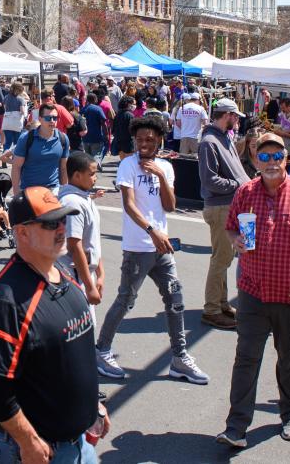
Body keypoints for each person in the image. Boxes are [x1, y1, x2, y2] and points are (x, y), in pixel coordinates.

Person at [216, 133, 290, 449]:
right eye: (264, 157)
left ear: (286, 159)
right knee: (246, 359)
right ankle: (236, 426)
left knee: (289, 358)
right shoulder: (245, 193)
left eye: (277, 156)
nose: (270, 162)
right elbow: (231, 225)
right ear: (256, 160)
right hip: (253, 292)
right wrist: (235, 240)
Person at [0, 187, 108, 464]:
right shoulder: (7, 300)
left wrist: (91, 405)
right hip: (34, 450)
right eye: (50, 223)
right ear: (22, 232)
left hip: (78, 442)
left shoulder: (64, 276)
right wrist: (28, 440)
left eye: (63, 220)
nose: (61, 228)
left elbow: (69, 355)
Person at [95, 116, 210, 385]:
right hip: (139, 246)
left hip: (162, 247)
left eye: (149, 140)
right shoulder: (127, 165)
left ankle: (180, 358)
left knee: (175, 300)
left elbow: (169, 206)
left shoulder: (166, 167)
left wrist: (160, 175)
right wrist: (151, 231)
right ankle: (101, 350)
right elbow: (129, 205)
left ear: (159, 140)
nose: (143, 144)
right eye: (139, 140)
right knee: (126, 300)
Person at [198, 97, 250, 330]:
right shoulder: (209, 141)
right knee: (221, 259)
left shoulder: (222, 138)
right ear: (227, 115)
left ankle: (220, 303)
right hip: (220, 206)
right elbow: (209, 180)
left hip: (227, 205)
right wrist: (238, 185)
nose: (237, 120)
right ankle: (212, 309)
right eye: (235, 116)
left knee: (225, 258)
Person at [59, 151, 105, 327]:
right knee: (79, 328)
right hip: (73, 275)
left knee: (86, 326)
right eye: (91, 174)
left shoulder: (85, 199)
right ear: (77, 176)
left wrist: (100, 274)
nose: (95, 178)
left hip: (85, 274)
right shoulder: (72, 202)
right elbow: (74, 245)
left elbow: (91, 240)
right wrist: (89, 285)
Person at [11, 103, 69, 194]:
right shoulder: (26, 138)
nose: (52, 121)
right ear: (40, 119)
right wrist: (16, 193)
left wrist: (65, 192)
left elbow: (63, 168)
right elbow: (16, 167)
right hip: (29, 190)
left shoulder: (63, 138)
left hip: (53, 189)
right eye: (48, 118)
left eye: (55, 118)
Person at [81, 93, 107, 171]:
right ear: (95, 99)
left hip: (85, 137)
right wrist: (106, 134)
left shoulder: (83, 109)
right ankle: (97, 163)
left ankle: (89, 169)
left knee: (88, 155)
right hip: (97, 136)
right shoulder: (98, 109)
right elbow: (103, 122)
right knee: (97, 154)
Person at [0, 82, 28, 154]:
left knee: (8, 142)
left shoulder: (6, 97)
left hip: (7, 122)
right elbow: (22, 111)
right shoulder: (20, 99)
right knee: (16, 142)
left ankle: (4, 157)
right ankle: (15, 158)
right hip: (17, 123)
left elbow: (5, 108)